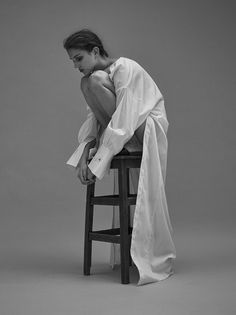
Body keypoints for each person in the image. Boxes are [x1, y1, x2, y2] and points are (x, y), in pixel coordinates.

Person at [64, 29, 176, 285]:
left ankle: (118, 149)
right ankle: (116, 149)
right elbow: (95, 119)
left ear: (95, 51)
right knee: (87, 82)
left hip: (145, 129)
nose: (75, 65)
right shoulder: (97, 78)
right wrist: (85, 154)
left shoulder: (125, 67)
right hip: (125, 132)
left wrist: (99, 161)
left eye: (78, 58)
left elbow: (126, 116)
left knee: (90, 82)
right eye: (72, 61)